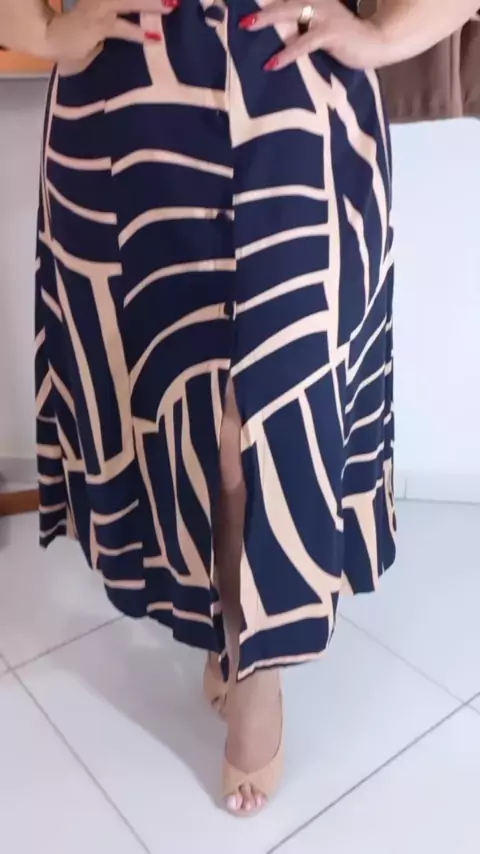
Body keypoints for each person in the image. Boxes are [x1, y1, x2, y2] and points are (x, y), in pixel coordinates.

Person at [0, 0, 477, 818]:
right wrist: (40, 30)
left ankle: (260, 667)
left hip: (295, 95)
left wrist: (384, 35)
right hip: (128, 96)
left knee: (266, 416)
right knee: (168, 401)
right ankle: (225, 621)